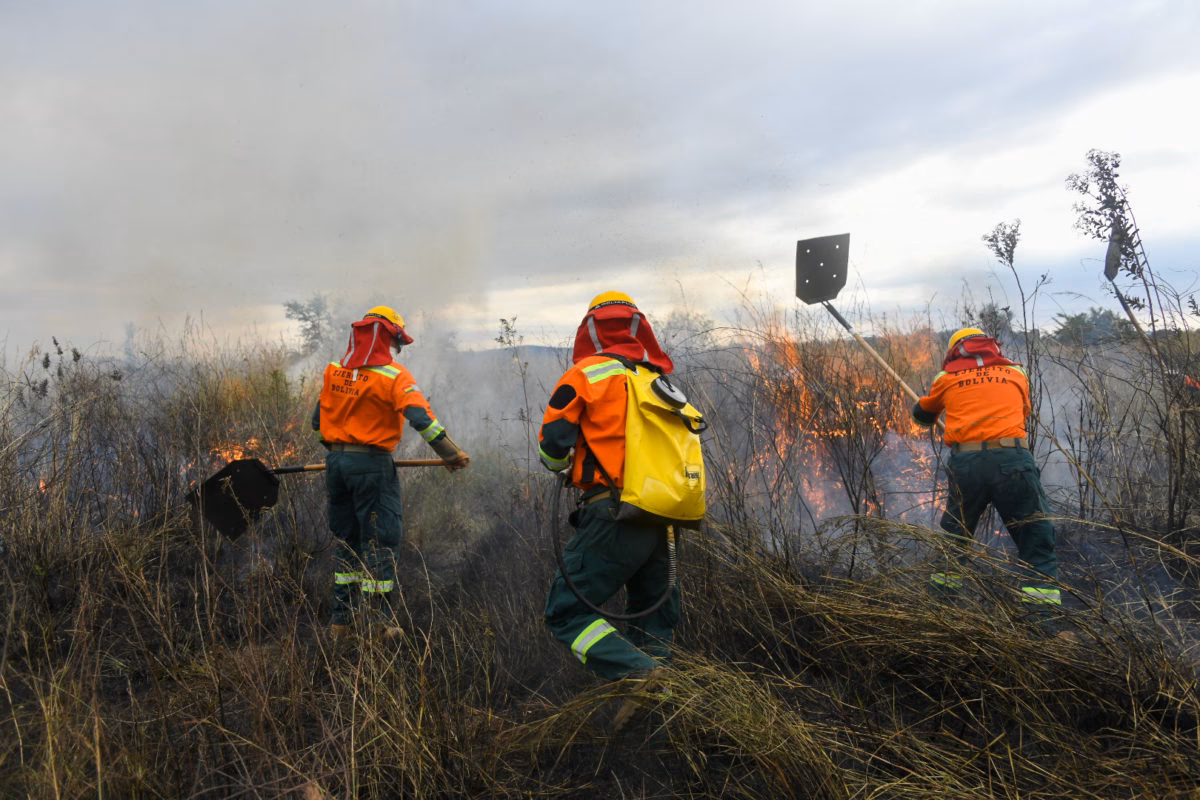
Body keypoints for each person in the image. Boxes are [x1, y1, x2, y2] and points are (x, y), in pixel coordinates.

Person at [538, 291, 679, 722]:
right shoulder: (660, 382)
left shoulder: (587, 374)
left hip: (613, 511)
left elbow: (552, 444)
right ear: (639, 329)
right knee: (654, 617)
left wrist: (565, 465)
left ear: (591, 330)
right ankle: (659, 714)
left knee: (565, 613)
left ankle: (639, 675)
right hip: (662, 517)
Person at [312, 306, 469, 643]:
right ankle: (378, 625)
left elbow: (317, 424)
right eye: (397, 342)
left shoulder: (334, 371)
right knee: (381, 540)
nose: (397, 350)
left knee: (347, 542)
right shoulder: (394, 376)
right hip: (372, 466)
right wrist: (452, 454)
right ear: (390, 339)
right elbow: (421, 420)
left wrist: (340, 455)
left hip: (336, 466)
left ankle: (341, 624)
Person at [912, 327, 1062, 628]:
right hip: (1013, 460)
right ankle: (1042, 626)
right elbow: (1023, 410)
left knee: (955, 540)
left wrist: (927, 407)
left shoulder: (946, 378)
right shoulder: (1016, 372)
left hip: (967, 464)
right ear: (991, 347)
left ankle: (940, 617)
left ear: (955, 350)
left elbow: (922, 417)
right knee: (1036, 540)